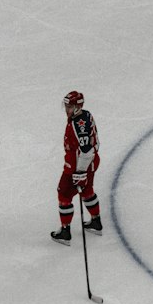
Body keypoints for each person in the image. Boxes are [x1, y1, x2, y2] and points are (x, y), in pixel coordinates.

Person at [51, 89, 101, 242]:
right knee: (87, 190)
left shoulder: (78, 125)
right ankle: (96, 221)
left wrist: (80, 172)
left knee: (64, 194)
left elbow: (86, 150)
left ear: (77, 107)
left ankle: (65, 232)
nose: (67, 109)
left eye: (70, 107)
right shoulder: (85, 115)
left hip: (77, 166)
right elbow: (95, 145)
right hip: (90, 164)